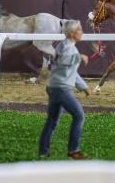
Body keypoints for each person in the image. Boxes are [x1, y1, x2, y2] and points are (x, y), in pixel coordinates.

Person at [38, 20, 91, 160]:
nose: (82, 32)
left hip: (54, 87)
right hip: (61, 89)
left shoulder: (65, 45)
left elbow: (70, 71)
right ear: (72, 33)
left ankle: (43, 151)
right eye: (80, 29)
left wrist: (84, 87)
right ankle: (73, 150)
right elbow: (64, 61)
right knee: (79, 116)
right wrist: (79, 57)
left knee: (52, 121)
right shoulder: (68, 48)